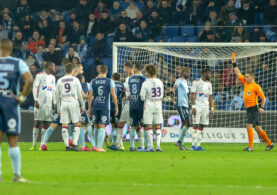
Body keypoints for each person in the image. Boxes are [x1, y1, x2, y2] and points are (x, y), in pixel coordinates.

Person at [0, 39, 33, 182]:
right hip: (10, 104)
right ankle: (17, 175)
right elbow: (29, 80)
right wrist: (22, 98)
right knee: (12, 140)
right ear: (11, 48)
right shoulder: (17, 62)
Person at [232, 55, 274, 151]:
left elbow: (263, 98)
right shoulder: (245, 83)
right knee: (258, 128)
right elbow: (238, 73)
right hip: (248, 109)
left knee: (248, 125)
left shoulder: (256, 86)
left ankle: (250, 147)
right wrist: (234, 63)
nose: (245, 78)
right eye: (245, 77)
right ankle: (270, 143)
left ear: (252, 77)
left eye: (247, 77)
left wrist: (262, 107)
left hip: (254, 109)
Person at [88, 65, 118, 152]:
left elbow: (90, 97)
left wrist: (89, 108)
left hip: (95, 106)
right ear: (107, 72)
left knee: (96, 125)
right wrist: (116, 106)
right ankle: (99, 147)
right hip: (105, 106)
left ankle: (96, 146)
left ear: (99, 71)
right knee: (102, 125)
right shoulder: (110, 81)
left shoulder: (93, 81)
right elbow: (113, 95)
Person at [56, 63, 85, 151]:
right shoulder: (75, 80)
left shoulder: (60, 80)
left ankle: (67, 146)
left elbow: (57, 96)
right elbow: (80, 94)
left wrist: (58, 108)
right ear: (72, 70)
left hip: (64, 104)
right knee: (77, 123)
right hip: (73, 103)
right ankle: (75, 144)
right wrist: (82, 105)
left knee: (65, 125)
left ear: (65, 70)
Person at [30, 62, 56, 151]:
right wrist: (35, 99)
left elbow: (54, 91)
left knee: (46, 123)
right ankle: (33, 145)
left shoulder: (53, 78)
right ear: (48, 66)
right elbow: (35, 87)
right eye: (53, 66)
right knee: (37, 121)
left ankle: (42, 145)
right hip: (40, 102)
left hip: (48, 104)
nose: (54, 67)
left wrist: (55, 103)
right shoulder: (40, 75)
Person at [110, 62, 134, 151]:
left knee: (120, 125)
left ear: (128, 68)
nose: (124, 70)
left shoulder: (129, 80)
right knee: (132, 125)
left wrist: (128, 97)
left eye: (125, 68)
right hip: (130, 104)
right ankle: (127, 145)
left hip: (128, 105)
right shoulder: (125, 81)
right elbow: (124, 91)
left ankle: (119, 145)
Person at [140, 64, 164, 152]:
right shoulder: (160, 82)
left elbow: (142, 97)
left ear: (148, 73)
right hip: (158, 104)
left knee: (149, 126)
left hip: (149, 106)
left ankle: (150, 146)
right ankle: (158, 146)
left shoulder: (145, 83)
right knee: (158, 126)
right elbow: (162, 94)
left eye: (145, 71)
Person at [190, 68, 214, 151]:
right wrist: (193, 107)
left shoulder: (209, 84)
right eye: (209, 74)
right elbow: (191, 95)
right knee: (195, 125)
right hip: (197, 106)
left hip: (205, 107)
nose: (210, 75)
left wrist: (212, 109)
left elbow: (210, 97)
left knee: (202, 125)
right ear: (204, 73)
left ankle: (198, 145)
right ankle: (193, 145)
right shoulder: (196, 82)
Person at [127, 64, 147, 151]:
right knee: (145, 126)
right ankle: (145, 146)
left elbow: (128, 93)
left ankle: (132, 146)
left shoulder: (130, 79)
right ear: (142, 69)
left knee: (133, 126)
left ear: (135, 69)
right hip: (141, 105)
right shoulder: (144, 79)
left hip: (132, 104)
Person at [172, 67, 192, 150]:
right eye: (187, 72)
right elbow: (175, 88)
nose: (188, 73)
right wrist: (173, 92)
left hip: (186, 104)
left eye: (189, 72)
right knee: (188, 123)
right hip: (181, 104)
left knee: (184, 124)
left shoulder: (188, 82)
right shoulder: (179, 80)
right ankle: (179, 141)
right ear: (183, 73)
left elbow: (189, 93)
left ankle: (181, 144)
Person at [108, 73, 124, 147]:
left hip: (111, 105)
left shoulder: (110, 84)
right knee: (119, 125)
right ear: (119, 78)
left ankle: (114, 143)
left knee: (113, 125)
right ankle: (119, 143)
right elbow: (123, 95)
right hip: (119, 106)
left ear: (112, 77)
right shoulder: (122, 85)